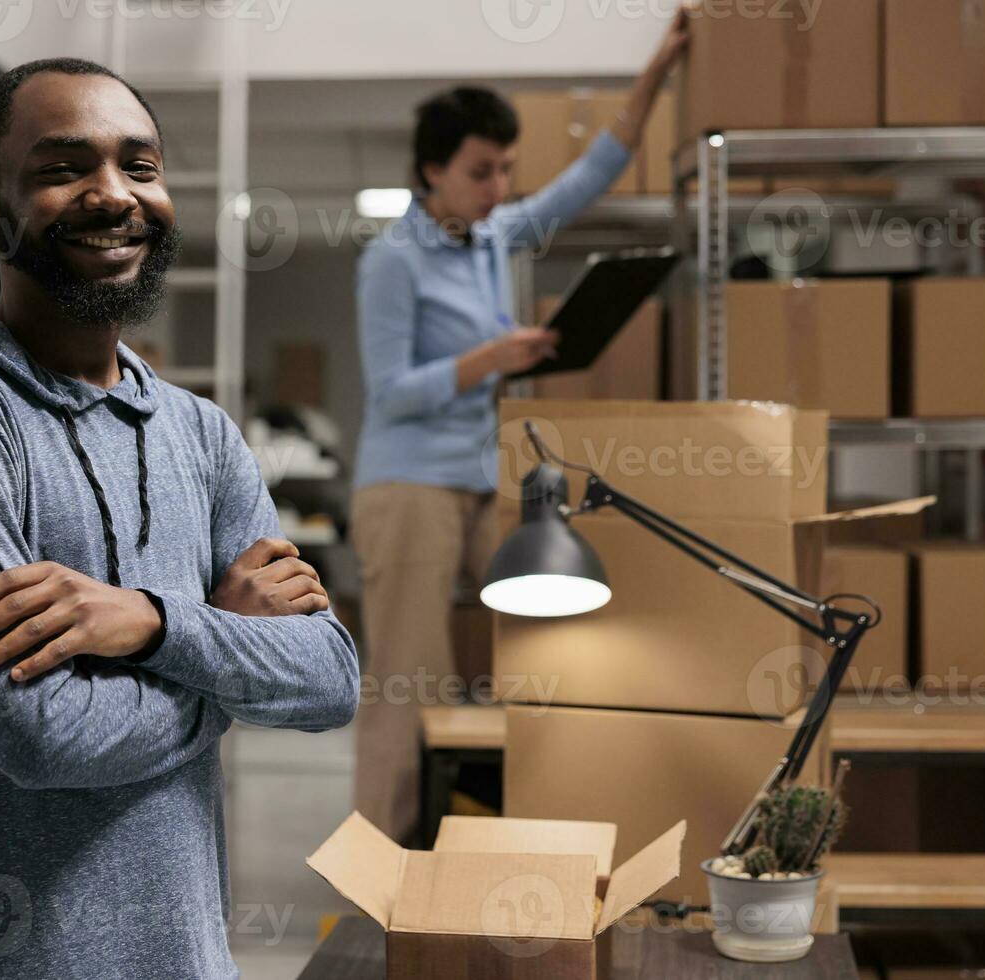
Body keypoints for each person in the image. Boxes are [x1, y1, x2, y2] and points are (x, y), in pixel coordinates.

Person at [0, 58, 359, 979]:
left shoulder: (200, 433)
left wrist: (153, 623)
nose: (113, 194)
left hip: (191, 956)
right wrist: (226, 653)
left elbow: (329, 680)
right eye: (61, 169)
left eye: (140, 165)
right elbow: (43, 738)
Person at [350, 11, 690, 845]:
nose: (499, 187)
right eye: (480, 171)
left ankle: (526, 825)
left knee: (549, 636)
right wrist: (490, 360)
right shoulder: (393, 260)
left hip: (477, 479)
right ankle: (381, 866)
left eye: (506, 169)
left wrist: (657, 70)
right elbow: (389, 392)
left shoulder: (496, 236)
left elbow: (591, 174)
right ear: (432, 170)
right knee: (411, 681)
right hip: (408, 487)